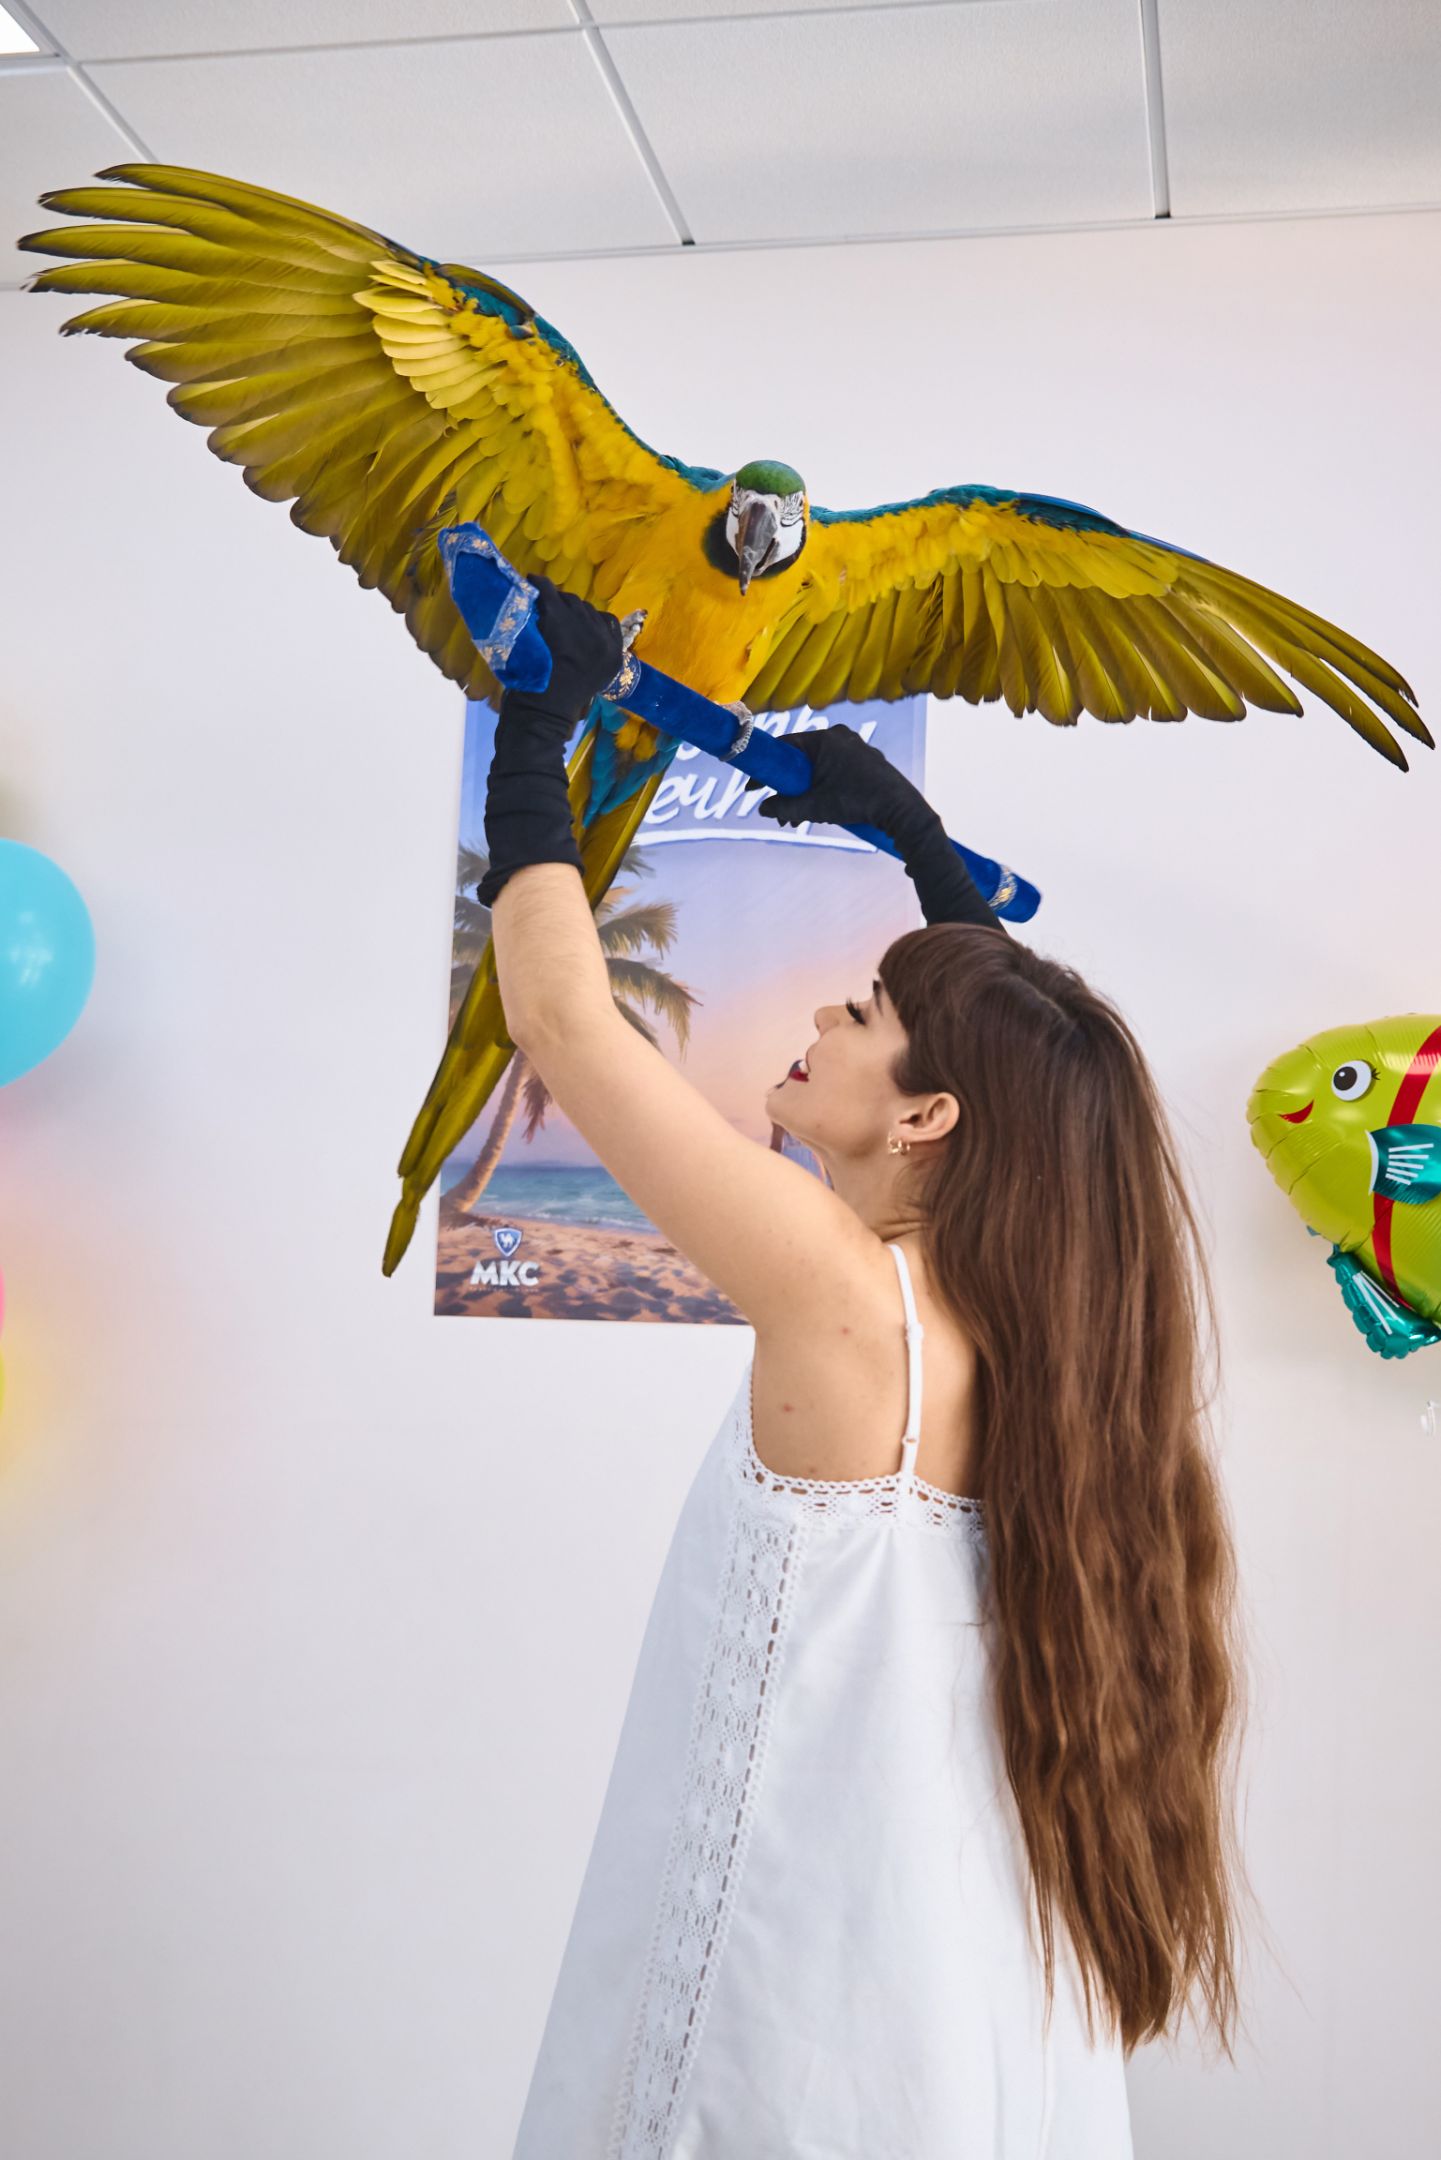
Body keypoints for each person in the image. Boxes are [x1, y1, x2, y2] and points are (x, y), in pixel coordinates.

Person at [480, 580, 1249, 2158]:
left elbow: (559, 1011)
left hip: (792, 2015)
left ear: (924, 1117)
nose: (825, 1012)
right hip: (955, 1999)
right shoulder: (1043, 1356)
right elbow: (1036, 1067)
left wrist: (538, 718)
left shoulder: (842, 1292)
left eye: (864, 1008)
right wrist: (907, 832)